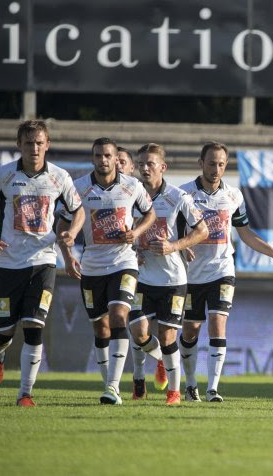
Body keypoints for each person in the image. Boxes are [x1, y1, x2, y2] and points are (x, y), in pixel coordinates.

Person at [0, 120, 85, 406]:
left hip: (43, 262)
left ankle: (25, 393)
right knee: (3, 332)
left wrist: (71, 234)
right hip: (8, 264)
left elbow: (78, 211)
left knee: (34, 326)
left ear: (47, 145)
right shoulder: (3, 175)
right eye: (29, 143)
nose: (34, 148)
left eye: (39, 143)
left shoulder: (60, 177)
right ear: (19, 145)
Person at [179, 141, 273, 402]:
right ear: (200, 163)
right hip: (191, 274)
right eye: (211, 163)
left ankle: (213, 389)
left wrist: (272, 252)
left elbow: (245, 233)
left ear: (225, 165)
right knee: (191, 329)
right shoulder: (183, 194)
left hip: (222, 269)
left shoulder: (233, 196)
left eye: (220, 164)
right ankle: (191, 384)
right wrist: (181, 248)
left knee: (218, 323)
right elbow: (173, 231)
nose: (216, 169)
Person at [59, 137, 156, 405]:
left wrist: (135, 232)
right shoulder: (78, 188)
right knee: (101, 329)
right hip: (91, 266)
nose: (103, 160)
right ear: (93, 159)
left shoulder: (132, 185)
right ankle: (111, 382)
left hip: (124, 262)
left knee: (118, 316)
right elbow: (63, 222)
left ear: (116, 159)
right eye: (98, 156)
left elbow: (150, 214)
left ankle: (113, 388)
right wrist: (67, 255)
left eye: (108, 156)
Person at [125, 143, 209, 405]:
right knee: (138, 332)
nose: (145, 168)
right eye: (141, 164)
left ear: (163, 167)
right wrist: (132, 248)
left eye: (150, 163)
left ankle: (174, 392)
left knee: (168, 335)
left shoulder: (178, 197)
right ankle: (161, 359)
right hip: (143, 276)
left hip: (173, 280)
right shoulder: (129, 196)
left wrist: (174, 246)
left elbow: (203, 231)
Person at [114, 145, 164, 400]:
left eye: (123, 162)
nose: (119, 165)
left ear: (130, 167)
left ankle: (154, 367)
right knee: (136, 328)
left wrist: (179, 247)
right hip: (132, 270)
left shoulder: (136, 193)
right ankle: (139, 379)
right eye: (116, 161)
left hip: (163, 273)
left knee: (147, 329)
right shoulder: (117, 195)